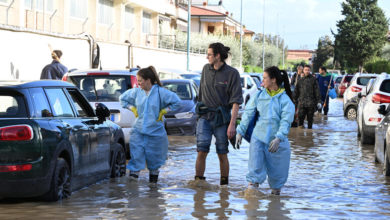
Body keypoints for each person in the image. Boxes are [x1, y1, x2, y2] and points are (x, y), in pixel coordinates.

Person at [235, 66, 295, 195]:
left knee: (277, 176)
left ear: (273, 80)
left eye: (264, 78)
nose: (262, 81)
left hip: (277, 141)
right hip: (258, 138)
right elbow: (248, 113)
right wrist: (240, 131)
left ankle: (274, 208)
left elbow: (286, 122)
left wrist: (279, 137)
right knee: (254, 172)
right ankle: (251, 208)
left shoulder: (285, 100)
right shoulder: (259, 95)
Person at [119, 66, 181, 183]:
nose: (138, 83)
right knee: (136, 158)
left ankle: (153, 192)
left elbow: (177, 102)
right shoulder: (137, 92)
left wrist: (164, 110)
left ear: (148, 80)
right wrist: (132, 108)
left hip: (155, 132)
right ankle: (133, 192)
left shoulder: (161, 93)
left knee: (155, 161)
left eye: (140, 80)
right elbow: (122, 99)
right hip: (138, 131)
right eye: (137, 80)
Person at [195, 42, 243, 186]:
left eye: (209, 54)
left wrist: (232, 125)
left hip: (222, 119)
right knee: (201, 151)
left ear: (217, 56)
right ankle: (198, 185)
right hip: (204, 117)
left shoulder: (232, 73)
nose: (206, 57)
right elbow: (201, 95)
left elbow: (236, 102)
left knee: (222, 153)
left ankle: (224, 188)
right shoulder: (205, 69)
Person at [293, 65, 321, 129]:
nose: (307, 71)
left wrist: (319, 101)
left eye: (308, 70)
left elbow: (317, 91)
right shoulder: (300, 80)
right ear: (303, 70)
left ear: (310, 71)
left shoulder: (314, 80)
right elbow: (296, 91)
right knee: (300, 119)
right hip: (301, 103)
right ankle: (301, 136)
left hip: (311, 103)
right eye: (306, 70)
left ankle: (309, 135)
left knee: (310, 120)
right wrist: (293, 99)